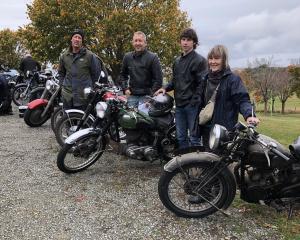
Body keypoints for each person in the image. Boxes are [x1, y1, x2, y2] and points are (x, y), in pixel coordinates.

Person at [155, 28, 207, 149]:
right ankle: (185, 164)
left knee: (194, 137)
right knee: (181, 137)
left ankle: (197, 165)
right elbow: (174, 80)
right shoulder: (177, 61)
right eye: (183, 39)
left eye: (188, 40)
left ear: (194, 42)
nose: (185, 42)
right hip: (179, 105)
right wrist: (165, 88)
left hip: (192, 106)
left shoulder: (200, 61)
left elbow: (202, 85)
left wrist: (194, 102)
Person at [199, 45, 260, 146]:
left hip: (223, 132)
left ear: (224, 60)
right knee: (206, 159)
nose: (213, 61)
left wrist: (249, 115)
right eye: (211, 58)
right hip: (205, 130)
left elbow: (242, 99)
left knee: (220, 160)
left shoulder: (233, 80)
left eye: (217, 58)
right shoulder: (205, 79)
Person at [58, 29, 106, 110]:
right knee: (67, 121)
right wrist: (62, 85)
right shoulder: (64, 56)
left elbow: (96, 74)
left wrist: (91, 89)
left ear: (82, 41)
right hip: (68, 96)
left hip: (83, 97)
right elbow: (61, 73)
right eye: (75, 37)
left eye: (79, 38)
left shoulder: (90, 56)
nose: (77, 39)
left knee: (83, 121)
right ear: (71, 39)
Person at [119, 31, 163, 108]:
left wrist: (151, 97)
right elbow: (123, 75)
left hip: (147, 97)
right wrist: (125, 89)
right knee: (130, 119)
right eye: (135, 41)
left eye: (140, 41)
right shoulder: (127, 57)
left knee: (144, 120)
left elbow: (158, 80)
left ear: (145, 43)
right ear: (132, 42)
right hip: (132, 96)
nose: (137, 43)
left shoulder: (153, 58)